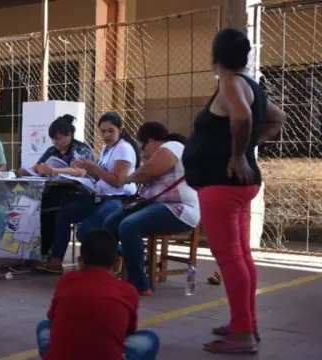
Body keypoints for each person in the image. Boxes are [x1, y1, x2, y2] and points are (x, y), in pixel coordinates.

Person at [182, 28, 285, 354]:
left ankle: (241, 333)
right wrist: (248, 144)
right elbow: (277, 118)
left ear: (215, 56)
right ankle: (246, 322)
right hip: (239, 185)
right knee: (241, 256)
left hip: (221, 185)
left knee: (229, 258)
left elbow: (241, 118)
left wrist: (238, 153)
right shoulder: (250, 85)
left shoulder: (229, 83)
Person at [103, 122, 199, 296]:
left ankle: (139, 283)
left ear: (152, 142)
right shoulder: (156, 155)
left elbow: (149, 172)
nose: (142, 153)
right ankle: (111, 269)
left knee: (129, 225)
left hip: (178, 209)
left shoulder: (173, 146)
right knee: (110, 223)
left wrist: (130, 177)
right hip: (156, 206)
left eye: (142, 148)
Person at [36, 112, 139, 273]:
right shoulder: (106, 148)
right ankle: (56, 260)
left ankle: (128, 254)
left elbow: (118, 181)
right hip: (100, 196)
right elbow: (100, 175)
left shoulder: (124, 149)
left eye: (110, 131)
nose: (106, 135)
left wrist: (93, 168)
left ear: (120, 130)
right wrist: (86, 170)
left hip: (118, 199)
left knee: (87, 231)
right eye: (103, 131)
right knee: (64, 214)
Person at [36, 228, 160, 360]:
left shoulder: (66, 280)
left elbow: (53, 318)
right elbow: (128, 331)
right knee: (149, 338)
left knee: (44, 325)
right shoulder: (128, 291)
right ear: (118, 264)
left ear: (80, 262)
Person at [17, 115, 95, 259]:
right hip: (55, 192)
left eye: (58, 138)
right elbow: (38, 167)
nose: (55, 142)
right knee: (38, 208)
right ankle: (39, 252)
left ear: (69, 135)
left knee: (60, 214)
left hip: (78, 194)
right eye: (53, 139)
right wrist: (28, 170)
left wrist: (54, 170)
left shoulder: (81, 149)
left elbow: (81, 172)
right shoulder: (52, 150)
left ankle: (56, 258)